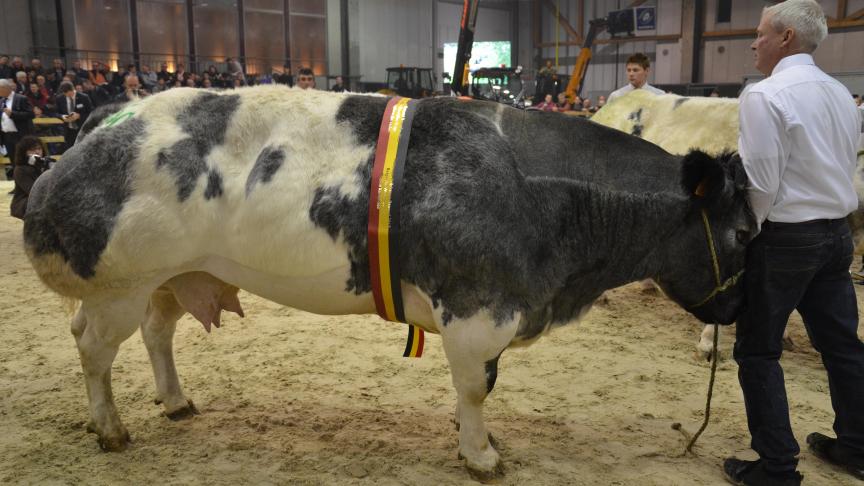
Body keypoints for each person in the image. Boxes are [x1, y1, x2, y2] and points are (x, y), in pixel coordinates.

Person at [721, 1, 864, 485]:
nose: (754, 42)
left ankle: (777, 467)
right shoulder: (841, 93)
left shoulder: (765, 95)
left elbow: (760, 183)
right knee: (842, 346)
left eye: (760, 33)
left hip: (786, 239)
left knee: (759, 352)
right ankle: (857, 445)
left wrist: (746, 236)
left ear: (785, 38)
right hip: (836, 235)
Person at [0, 78, 35, 179]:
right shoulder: (1, 101)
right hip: (7, 136)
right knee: (13, 161)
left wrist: (13, 114)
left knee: (24, 160)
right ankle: (18, 186)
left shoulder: (21, 98)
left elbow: (31, 114)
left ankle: (29, 183)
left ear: (5, 88)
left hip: (20, 136)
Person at [10, 136, 50, 219]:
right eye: (32, 150)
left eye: (39, 149)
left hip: (43, 197)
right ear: (24, 152)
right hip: (24, 202)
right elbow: (32, 190)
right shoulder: (20, 169)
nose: (37, 152)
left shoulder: (46, 164)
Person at [56, 81, 92, 149]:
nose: (65, 95)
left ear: (72, 90)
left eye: (66, 93)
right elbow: (56, 113)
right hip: (68, 131)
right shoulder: (60, 98)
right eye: (64, 93)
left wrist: (79, 116)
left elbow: (91, 113)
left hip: (82, 130)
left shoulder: (84, 97)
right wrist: (62, 116)